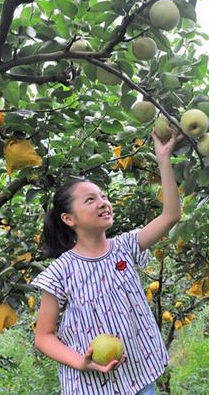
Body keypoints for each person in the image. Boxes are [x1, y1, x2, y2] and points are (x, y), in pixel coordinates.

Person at [32, 130, 181, 395]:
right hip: (92, 387)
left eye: (103, 196)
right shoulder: (60, 272)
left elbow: (170, 215)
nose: (103, 203)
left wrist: (163, 157)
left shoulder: (125, 246)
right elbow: (43, 336)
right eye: (90, 200)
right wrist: (81, 362)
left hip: (139, 375)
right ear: (69, 219)